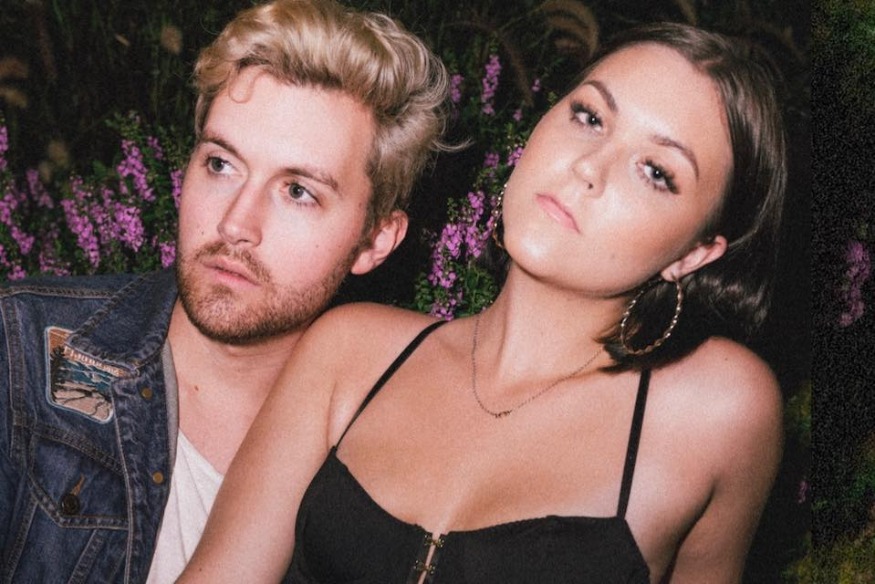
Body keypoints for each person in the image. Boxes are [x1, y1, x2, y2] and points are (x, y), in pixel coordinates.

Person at [179, 21, 787, 584]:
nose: (588, 167)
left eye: (655, 170)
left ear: (695, 254)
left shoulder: (716, 410)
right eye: (589, 117)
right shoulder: (348, 352)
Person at [0, 0, 449, 582]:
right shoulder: (24, 352)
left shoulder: (375, 474)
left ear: (375, 240)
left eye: (298, 192)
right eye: (220, 164)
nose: (236, 223)